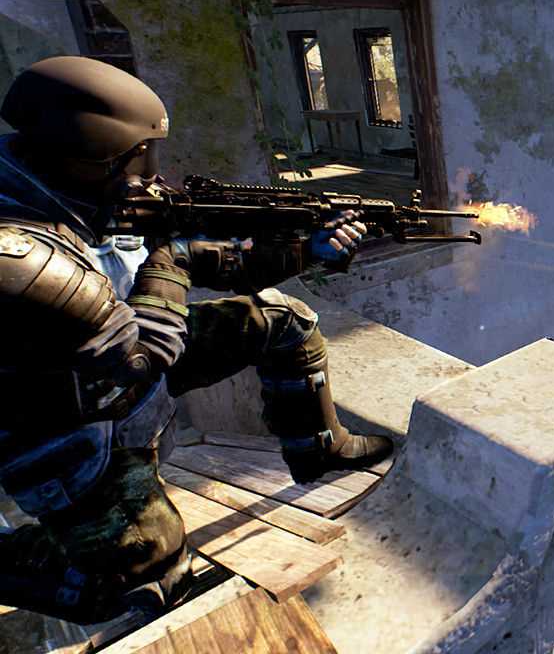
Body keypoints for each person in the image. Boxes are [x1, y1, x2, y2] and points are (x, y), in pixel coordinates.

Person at [0, 56, 393, 623]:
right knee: (151, 581)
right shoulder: (18, 254)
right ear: (91, 158)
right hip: (59, 424)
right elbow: (141, 356)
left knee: (285, 320)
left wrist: (309, 250)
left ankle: (318, 449)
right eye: (137, 159)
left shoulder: (81, 197)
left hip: (120, 364)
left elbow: (211, 262)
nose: (151, 175)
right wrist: (171, 255)